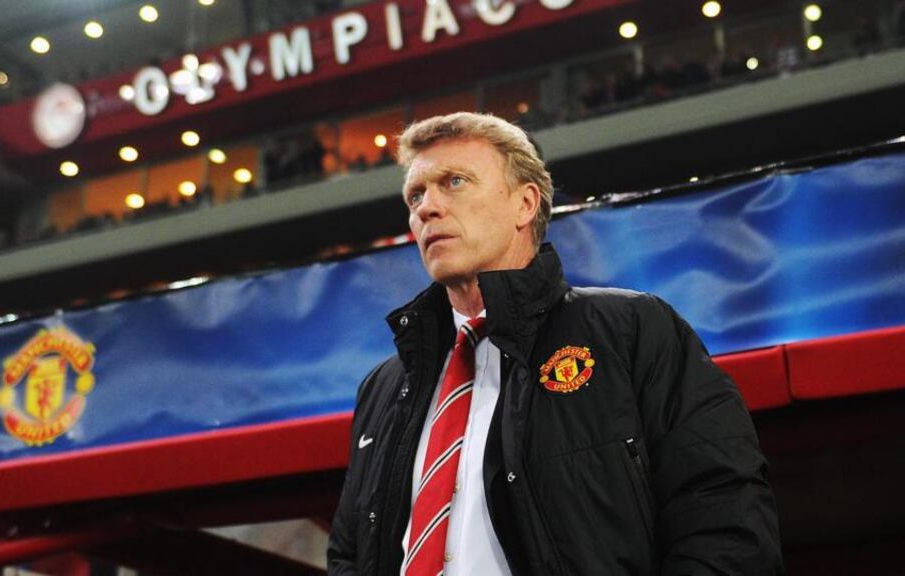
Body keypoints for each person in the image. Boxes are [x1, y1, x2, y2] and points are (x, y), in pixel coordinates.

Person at [328, 112, 782, 575]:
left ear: (525, 204)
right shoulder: (383, 388)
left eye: (456, 182)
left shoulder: (632, 330)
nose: (426, 208)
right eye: (416, 195)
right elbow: (348, 555)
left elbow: (726, 520)